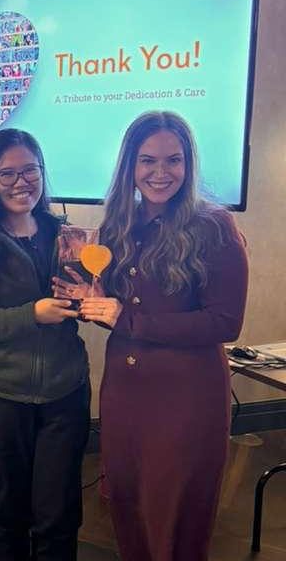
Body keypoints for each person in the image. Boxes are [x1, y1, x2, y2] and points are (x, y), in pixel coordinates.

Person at [75, 111, 248, 560]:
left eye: (173, 161)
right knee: (128, 504)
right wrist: (91, 301)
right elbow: (121, 308)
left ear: (189, 165)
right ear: (129, 165)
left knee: (174, 514)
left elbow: (224, 323)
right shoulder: (120, 224)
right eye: (147, 160)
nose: (159, 173)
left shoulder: (215, 226)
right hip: (126, 393)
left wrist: (125, 319)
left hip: (186, 398)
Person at [0, 129, 90, 561]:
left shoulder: (68, 237)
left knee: (59, 516)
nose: (20, 181)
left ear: (42, 172)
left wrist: (92, 303)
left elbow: (83, 300)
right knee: (9, 515)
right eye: (6, 173)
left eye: (29, 170)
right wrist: (32, 313)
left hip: (64, 394)